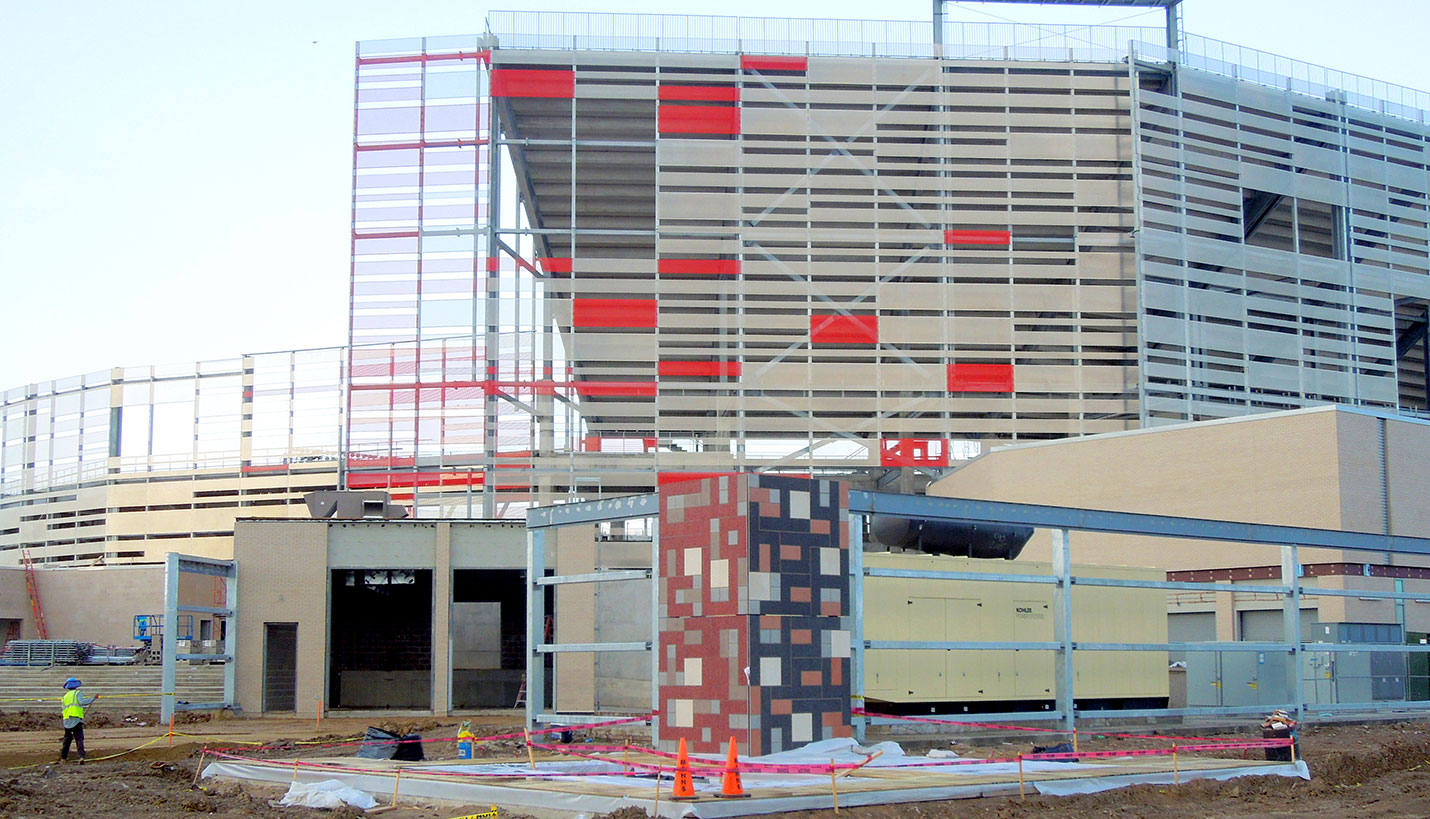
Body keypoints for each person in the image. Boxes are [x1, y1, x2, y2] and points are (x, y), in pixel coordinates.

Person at [59, 677, 98, 763]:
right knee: (79, 738)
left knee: (67, 739)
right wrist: (93, 698)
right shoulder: (77, 693)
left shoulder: (65, 696)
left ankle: (63, 757)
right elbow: (82, 702)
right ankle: (81, 756)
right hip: (76, 719)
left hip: (67, 720)